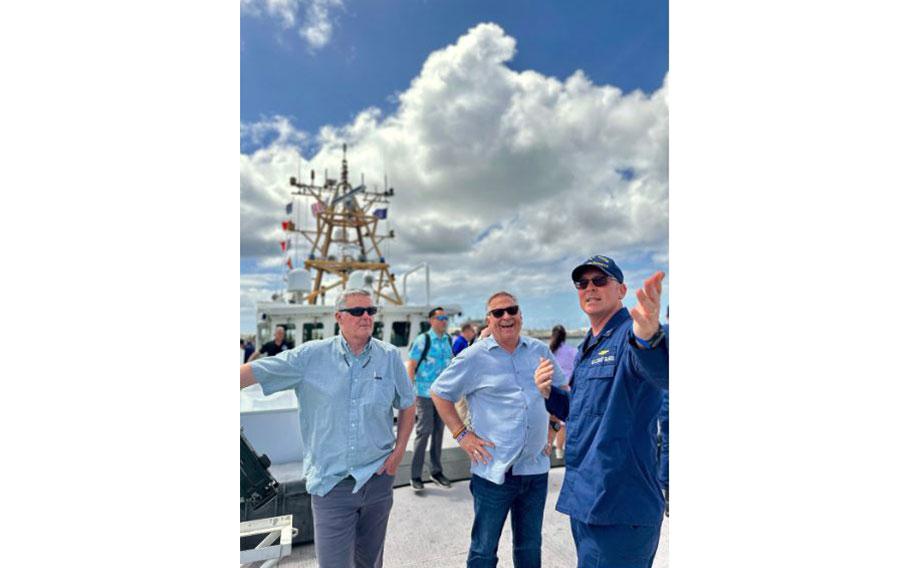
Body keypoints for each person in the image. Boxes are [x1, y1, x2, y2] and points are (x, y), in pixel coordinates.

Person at [240, 289, 416, 568]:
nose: (366, 317)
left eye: (371, 311)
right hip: (332, 485)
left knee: (370, 563)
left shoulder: (390, 356)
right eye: (358, 311)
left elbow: (408, 404)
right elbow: (255, 372)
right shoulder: (310, 357)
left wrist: (399, 452)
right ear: (339, 317)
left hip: (379, 479)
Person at [534, 256, 668, 568]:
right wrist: (549, 395)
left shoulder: (631, 336)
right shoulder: (588, 347)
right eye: (582, 283)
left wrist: (651, 339)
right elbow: (580, 411)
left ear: (621, 290)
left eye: (600, 280)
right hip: (588, 502)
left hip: (621, 507)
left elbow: (662, 372)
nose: (590, 288)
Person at [431, 291, 567, 568]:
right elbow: (439, 393)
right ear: (489, 320)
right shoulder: (474, 357)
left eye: (511, 310)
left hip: (535, 469)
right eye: (498, 312)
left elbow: (561, 389)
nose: (506, 316)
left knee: (530, 547)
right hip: (494, 472)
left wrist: (553, 426)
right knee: (483, 550)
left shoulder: (539, 350)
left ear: (520, 315)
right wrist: (462, 435)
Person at [406, 307, 455, 490]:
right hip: (425, 394)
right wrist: (409, 391)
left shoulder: (448, 340)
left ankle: (436, 472)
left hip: (443, 395)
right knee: (424, 432)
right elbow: (411, 365)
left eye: (445, 318)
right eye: (440, 318)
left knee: (438, 433)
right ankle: (415, 476)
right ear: (431, 320)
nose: (444, 321)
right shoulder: (423, 340)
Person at [547, 325, 575, 460]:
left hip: (550, 389)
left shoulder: (548, 350)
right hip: (566, 388)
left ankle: (550, 448)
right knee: (564, 423)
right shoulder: (571, 351)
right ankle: (560, 450)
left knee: (552, 420)